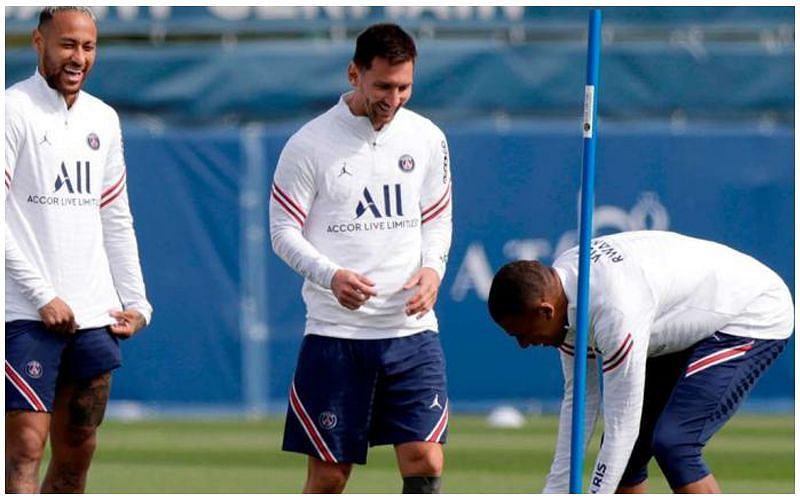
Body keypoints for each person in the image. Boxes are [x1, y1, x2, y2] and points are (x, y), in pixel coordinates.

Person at [269, 23, 453, 494]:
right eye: (383, 87)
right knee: (330, 476)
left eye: (404, 87)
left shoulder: (427, 138)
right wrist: (330, 276)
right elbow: (282, 232)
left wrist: (433, 268)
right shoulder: (309, 144)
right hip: (337, 333)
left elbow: (437, 219)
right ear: (354, 74)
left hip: (410, 332)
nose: (394, 98)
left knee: (425, 458)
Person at [487, 230, 793, 494]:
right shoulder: (561, 294)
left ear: (545, 311)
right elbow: (581, 403)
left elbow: (623, 427)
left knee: (675, 443)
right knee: (629, 455)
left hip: (750, 312)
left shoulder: (614, 314)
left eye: (523, 333)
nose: (525, 344)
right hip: (681, 318)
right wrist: (553, 492)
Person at [5, 7, 152, 493]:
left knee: (77, 451)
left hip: (93, 314)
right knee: (25, 446)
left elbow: (115, 216)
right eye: (68, 44)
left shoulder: (103, 119)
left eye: (88, 47)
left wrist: (137, 302)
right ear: (38, 42)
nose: (78, 57)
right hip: (24, 312)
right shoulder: (12, 110)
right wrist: (42, 294)